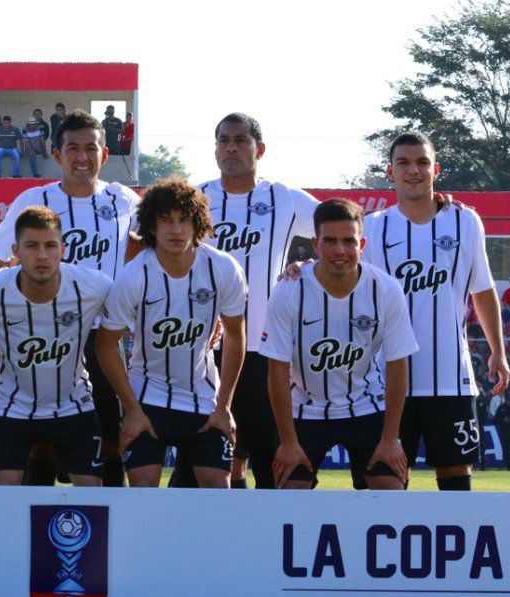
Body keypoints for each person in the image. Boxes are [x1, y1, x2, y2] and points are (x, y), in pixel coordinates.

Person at [0, 110, 142, 486]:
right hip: (44, 333)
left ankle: (105, 527)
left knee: (111, 441)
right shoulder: (35, 198)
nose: (82, 157)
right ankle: (36, 533)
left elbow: (151, 252)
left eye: (91, 148)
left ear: (104, 154)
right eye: (72, 149)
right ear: (56, 154)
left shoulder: (124, 200)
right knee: (40, 442)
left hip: (103, 338)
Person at [362, 131, 508, 491]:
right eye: (404, 163)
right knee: (386, 483)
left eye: (422, 162)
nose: (414, 170)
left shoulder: (465, 221)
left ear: (436, 169)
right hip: (387, 383)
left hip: (450, 380)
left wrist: (498, 352)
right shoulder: (373, 227)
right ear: (390, 172)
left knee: (456, 483)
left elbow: (483, 290)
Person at [182, 113, 321, 489]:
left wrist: (308, 262)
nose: (231, 147)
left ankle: (267, 543)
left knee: (271, 464)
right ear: (215, 150)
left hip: (265, 350)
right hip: (204, 352)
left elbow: (346, 228)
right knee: (204, 467)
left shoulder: (283, 197)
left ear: (258, 149)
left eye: (240, 140)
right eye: (223, 140)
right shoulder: (195, 199)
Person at [95, 178, 246, 488]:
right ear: (152, 225)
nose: (176, 229)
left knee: (219, 489)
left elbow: (235, 335)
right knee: (143, 489)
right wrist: (132, 409)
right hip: (147, 400)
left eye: (184, 220)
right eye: (166, 220)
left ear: (198, 223)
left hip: (204, 400)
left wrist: (224, 407)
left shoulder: (224, 268)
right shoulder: (134, 275)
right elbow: (105, 344)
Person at [261, 198, 419, 490]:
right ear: (315, 243)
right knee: (289, 490)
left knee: (390, 487)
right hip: (304, 410)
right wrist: (288, 443)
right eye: (330, 241)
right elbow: (277, 371)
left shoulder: (386, 289)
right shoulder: (289, 289)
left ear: (362, 243)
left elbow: (398, 367)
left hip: (366, 405)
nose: (340, 250)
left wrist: (390, 440)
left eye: (349, 241)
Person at [0, 206, 113, 486]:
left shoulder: (94, 286)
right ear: (15, 250)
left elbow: (139, 308)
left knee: (91, 495)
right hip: (11, 407)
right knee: (6, 496)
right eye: (31, 246)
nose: (42, 255)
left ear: (63, 249)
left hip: (74, 405)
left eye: (50, 246)